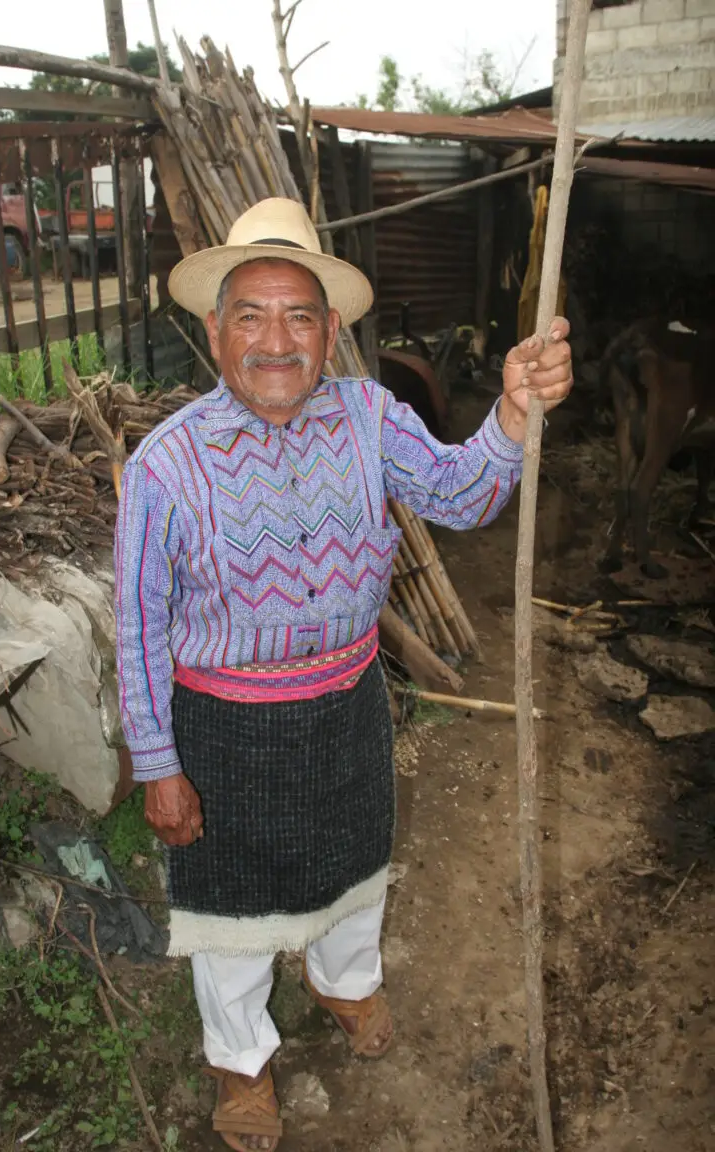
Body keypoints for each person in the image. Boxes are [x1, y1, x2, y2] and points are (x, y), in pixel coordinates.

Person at [114, 197, 573, 1151]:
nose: (276, 340)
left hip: (347, 706)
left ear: (329, 332)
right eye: (252, 314)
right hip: (223, 728)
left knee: (354, 877)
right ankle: (240, 1060)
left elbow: (461, 492)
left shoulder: (369, 417)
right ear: (215, 330)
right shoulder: (166, 466)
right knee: (228, 909)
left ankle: (344, 984)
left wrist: (514, 412)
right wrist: (159, 764)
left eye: (299, 316)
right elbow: (140, 627)